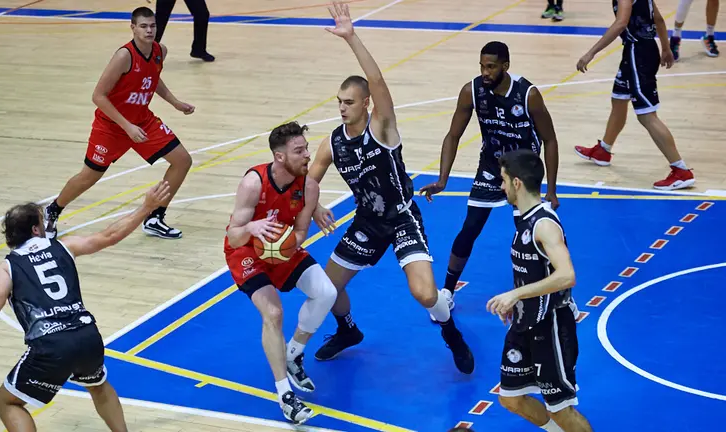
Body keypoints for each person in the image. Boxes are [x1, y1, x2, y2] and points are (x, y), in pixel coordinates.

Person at [308, 2, 475, 374]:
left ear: (366, 104)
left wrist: (351, 37)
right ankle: (348, 331)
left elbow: (380, 82)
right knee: (325, 289)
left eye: (349, 102)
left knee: (426, 294)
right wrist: (314, 205)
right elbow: (308, 181)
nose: (341, 108)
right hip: (366, 222)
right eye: (338, 102)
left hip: (401, 219)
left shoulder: (381, 128)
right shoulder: (331, 143)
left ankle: (451, 334)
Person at [0, 180, 172, 432]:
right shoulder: (64, 246)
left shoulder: (7, 267)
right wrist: (146, 207)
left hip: (51, 345)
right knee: (99, 386)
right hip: (87, 336)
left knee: (7, 403)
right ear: (36, 230)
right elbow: (110, 235)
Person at [419, 41, 560, 323]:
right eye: (482, 66)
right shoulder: (472, 90)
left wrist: (551, 190)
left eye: (491, 66)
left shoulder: (527, 94)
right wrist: (442, 179)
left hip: (523, 170)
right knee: (470, 228)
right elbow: (453, 135)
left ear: (505, 66)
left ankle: (550, 291)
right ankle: (448, 290)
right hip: (491, 166)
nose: (485, 71)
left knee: (530, 233)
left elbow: (550, 139)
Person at [44, 7, 194, 241]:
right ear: (133, 27)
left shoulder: (159, 51)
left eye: (152, 26)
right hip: (112, 126)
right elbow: (98, 96)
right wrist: (127, 127)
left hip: (142, 120)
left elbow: (152, 79)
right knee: (89, 177)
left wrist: (175, 103)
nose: (149, 30)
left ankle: (155, 217)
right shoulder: (124, 56)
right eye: (143, 26)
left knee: (183, 160)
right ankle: (52, 210)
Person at [224, 122, 338, 425]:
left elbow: (300, 231)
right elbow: (234, 235)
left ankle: (293, 354)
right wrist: (252, 228)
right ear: (279, 157)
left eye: (306, 149)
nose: (307, 156)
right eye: (299, 151)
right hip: (246, 252)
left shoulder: (309, 187)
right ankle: (285, 395)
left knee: (327, 292)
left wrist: (281, 247)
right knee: (273, 313)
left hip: (281, 251)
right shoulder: (253, 183)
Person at [486, 149, 592, 432]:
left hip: (552, 324)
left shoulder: (543, 223)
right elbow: (531, 270)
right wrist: (516, 301)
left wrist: (515, 295)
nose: (501, 186)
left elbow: (567, 275)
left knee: (560, 409)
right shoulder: (522, 216)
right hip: (525, 321)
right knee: (510, 398)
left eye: (503, 180)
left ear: (517, 183)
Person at [574, 0, 695, 191]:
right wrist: (665, 47)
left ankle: (680, 170)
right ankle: (603, 150)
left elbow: (621, 22)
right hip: (640, 50)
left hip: (638, 53)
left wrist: (591, 53)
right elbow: (658, 19)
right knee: (619, 99)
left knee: (646, 115)